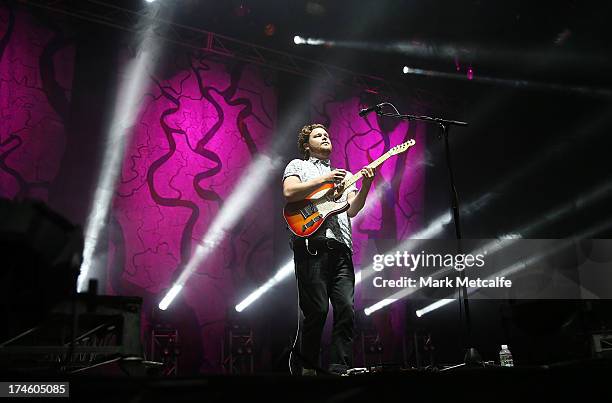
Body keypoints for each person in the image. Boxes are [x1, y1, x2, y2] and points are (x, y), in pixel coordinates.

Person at [282, 123, 375, 375]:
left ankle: (338, 368)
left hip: (342, 248)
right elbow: (290, 192)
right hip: (312, 245)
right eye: (317, 135)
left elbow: (353, 209)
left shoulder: (344, 176)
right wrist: (323, 179)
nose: (325, 137)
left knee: (346, 309)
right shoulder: (298, 165)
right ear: (306, 144)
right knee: (318, 310)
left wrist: (365, 185)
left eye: (326, 134)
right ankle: (308, 369)